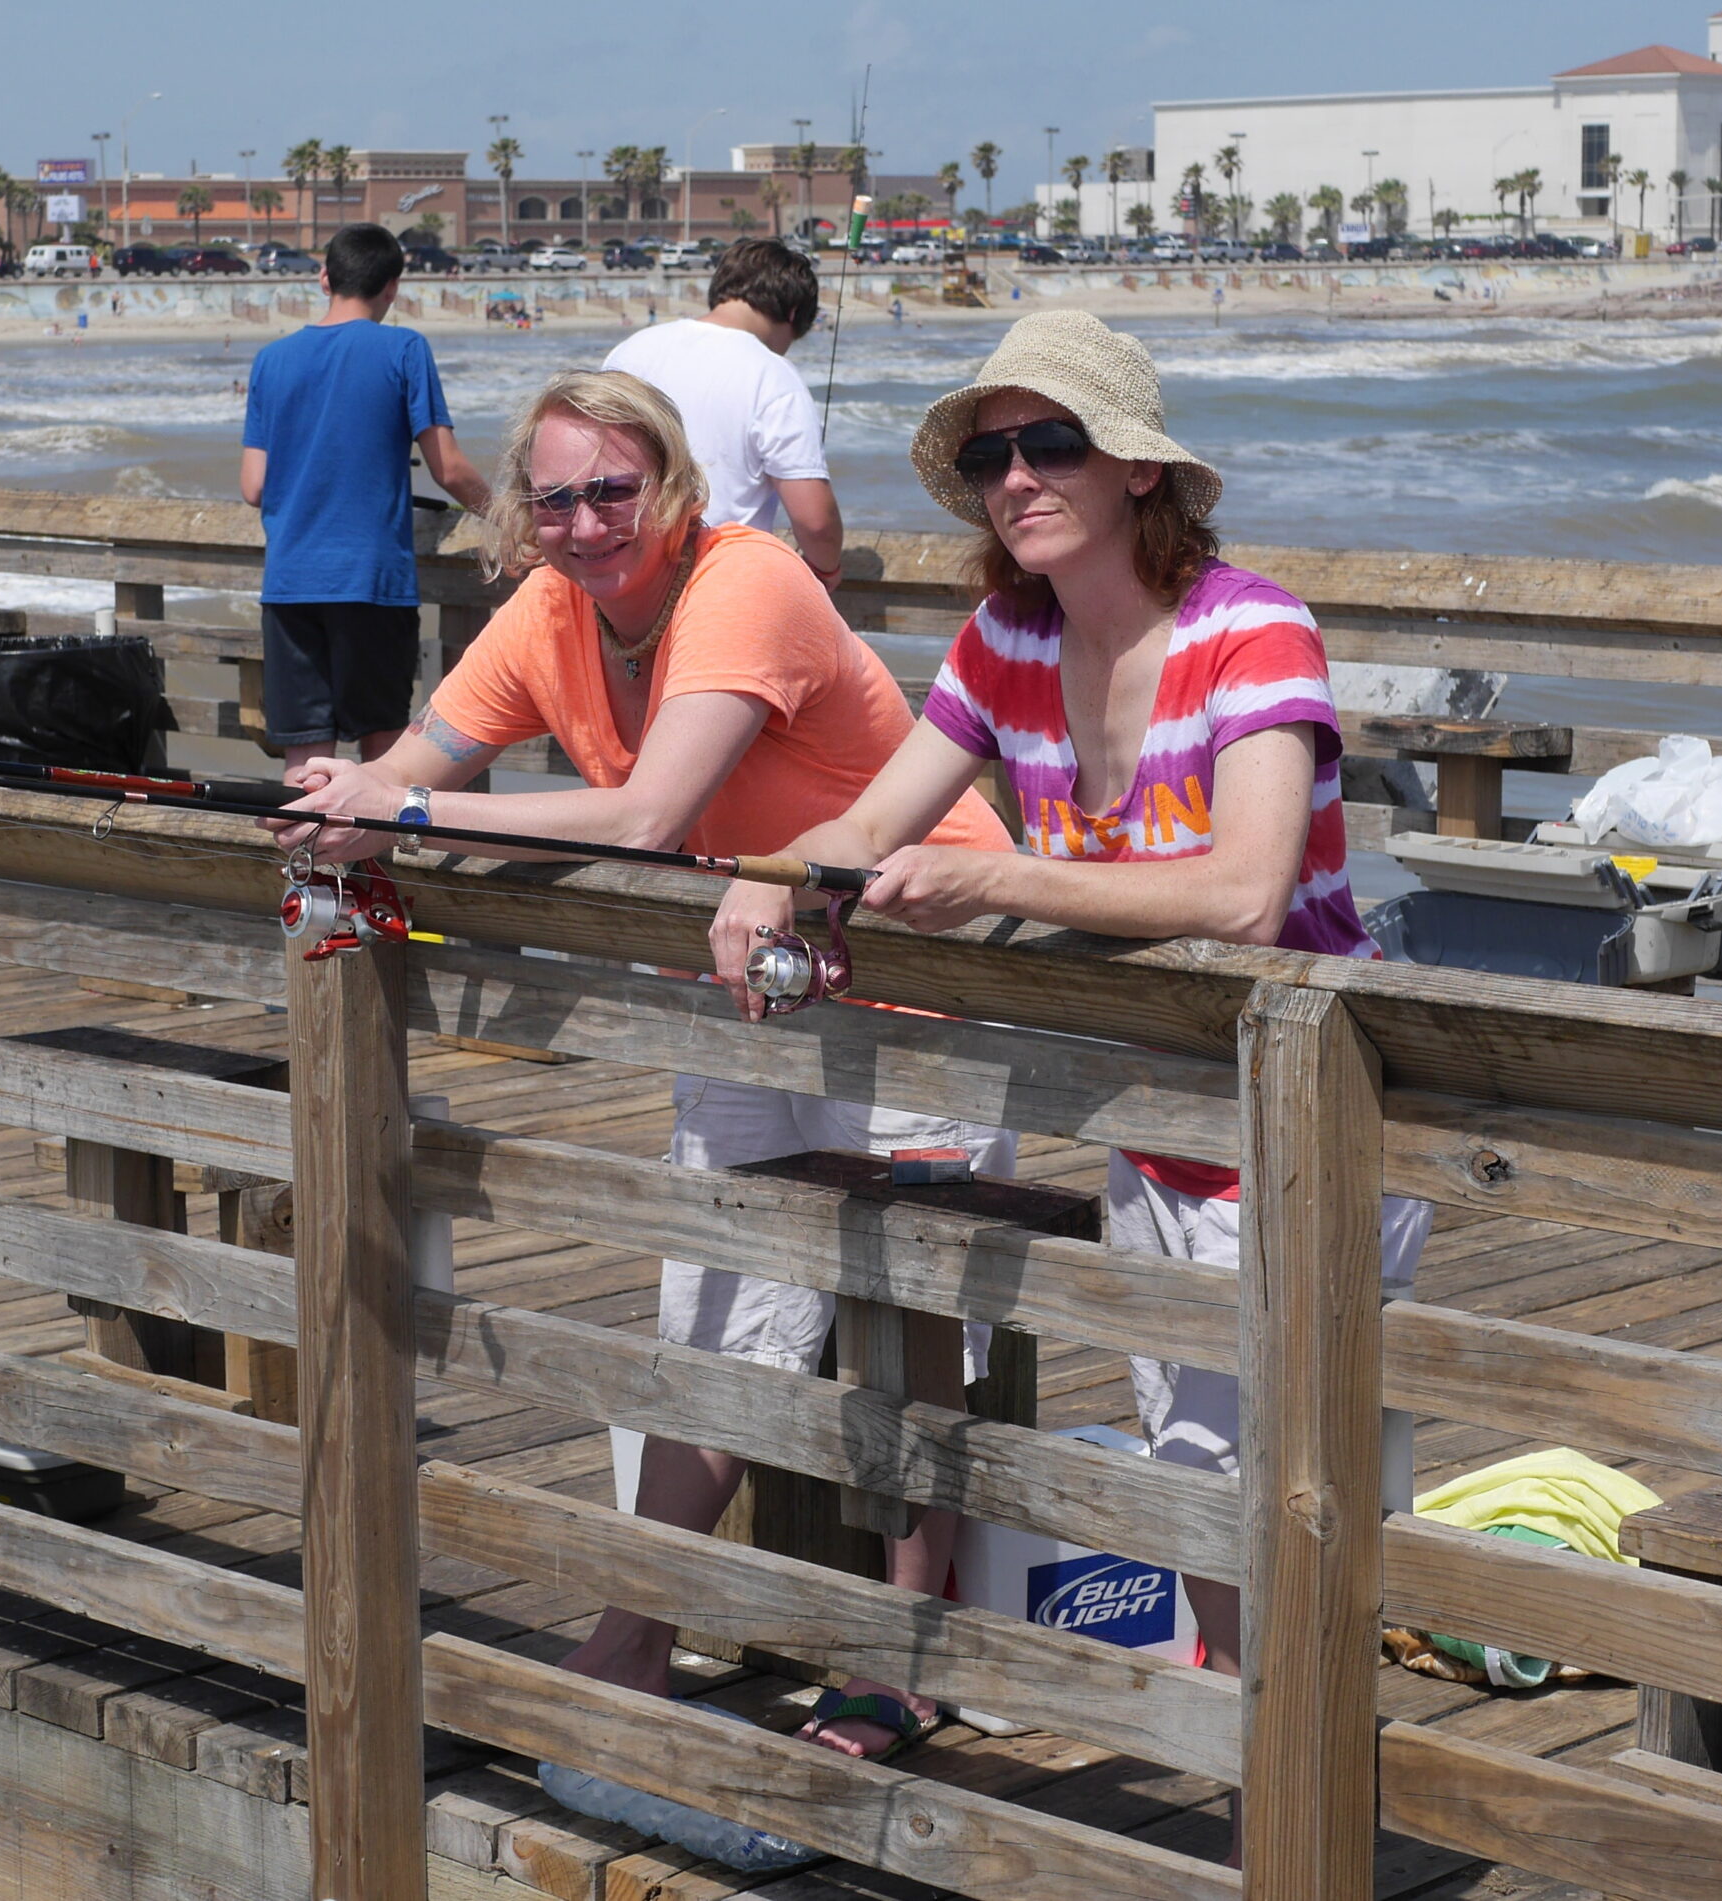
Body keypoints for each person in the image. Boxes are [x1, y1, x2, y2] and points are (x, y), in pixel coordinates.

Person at [709, 308, 1431, 1782]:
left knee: (1273, 1483)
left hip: (1308, 1112)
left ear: (1142, 474)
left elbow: (1244, 892)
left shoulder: (1252, 627)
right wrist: (771, 877)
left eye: (1053, 445)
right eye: (992, 454)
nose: (1017, 477)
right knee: (1190, 1468)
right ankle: (1269, 1771)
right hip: (1153, 1112)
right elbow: (871, 817)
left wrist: (998, 879)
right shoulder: (1007, 638)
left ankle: (1294, 1785)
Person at [265, 369, 1015, 1762]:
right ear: (523, 515)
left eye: (616, 489)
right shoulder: (547, 607)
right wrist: (351, 813)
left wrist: (411, 805)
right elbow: (428, 755)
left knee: (907, 1323)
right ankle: (642, 1623)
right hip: (742, 976)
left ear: (673, 491)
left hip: (917, 973)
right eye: (555, 497)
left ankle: (905, 1658)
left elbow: (656, 813)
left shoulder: (750, 580)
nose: (587, 520)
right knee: (713, 1307)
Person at [240, 222, 491, 781]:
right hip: (372, 582)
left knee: (306, 759)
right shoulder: (404, 348)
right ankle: (371, 869)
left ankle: (305, 871)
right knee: (381, 756)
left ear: (324, 278)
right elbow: (447, 467)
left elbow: (253, 486)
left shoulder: (271, 360)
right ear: (392, 288)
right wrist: (509, 516)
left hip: (290, 583)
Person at [603, 238, 842, 588]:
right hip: (721, 586)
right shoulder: (772, 373)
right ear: (793, 314)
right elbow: (816, 521)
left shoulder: (629, 352)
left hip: (625, 582)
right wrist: (826, 572)